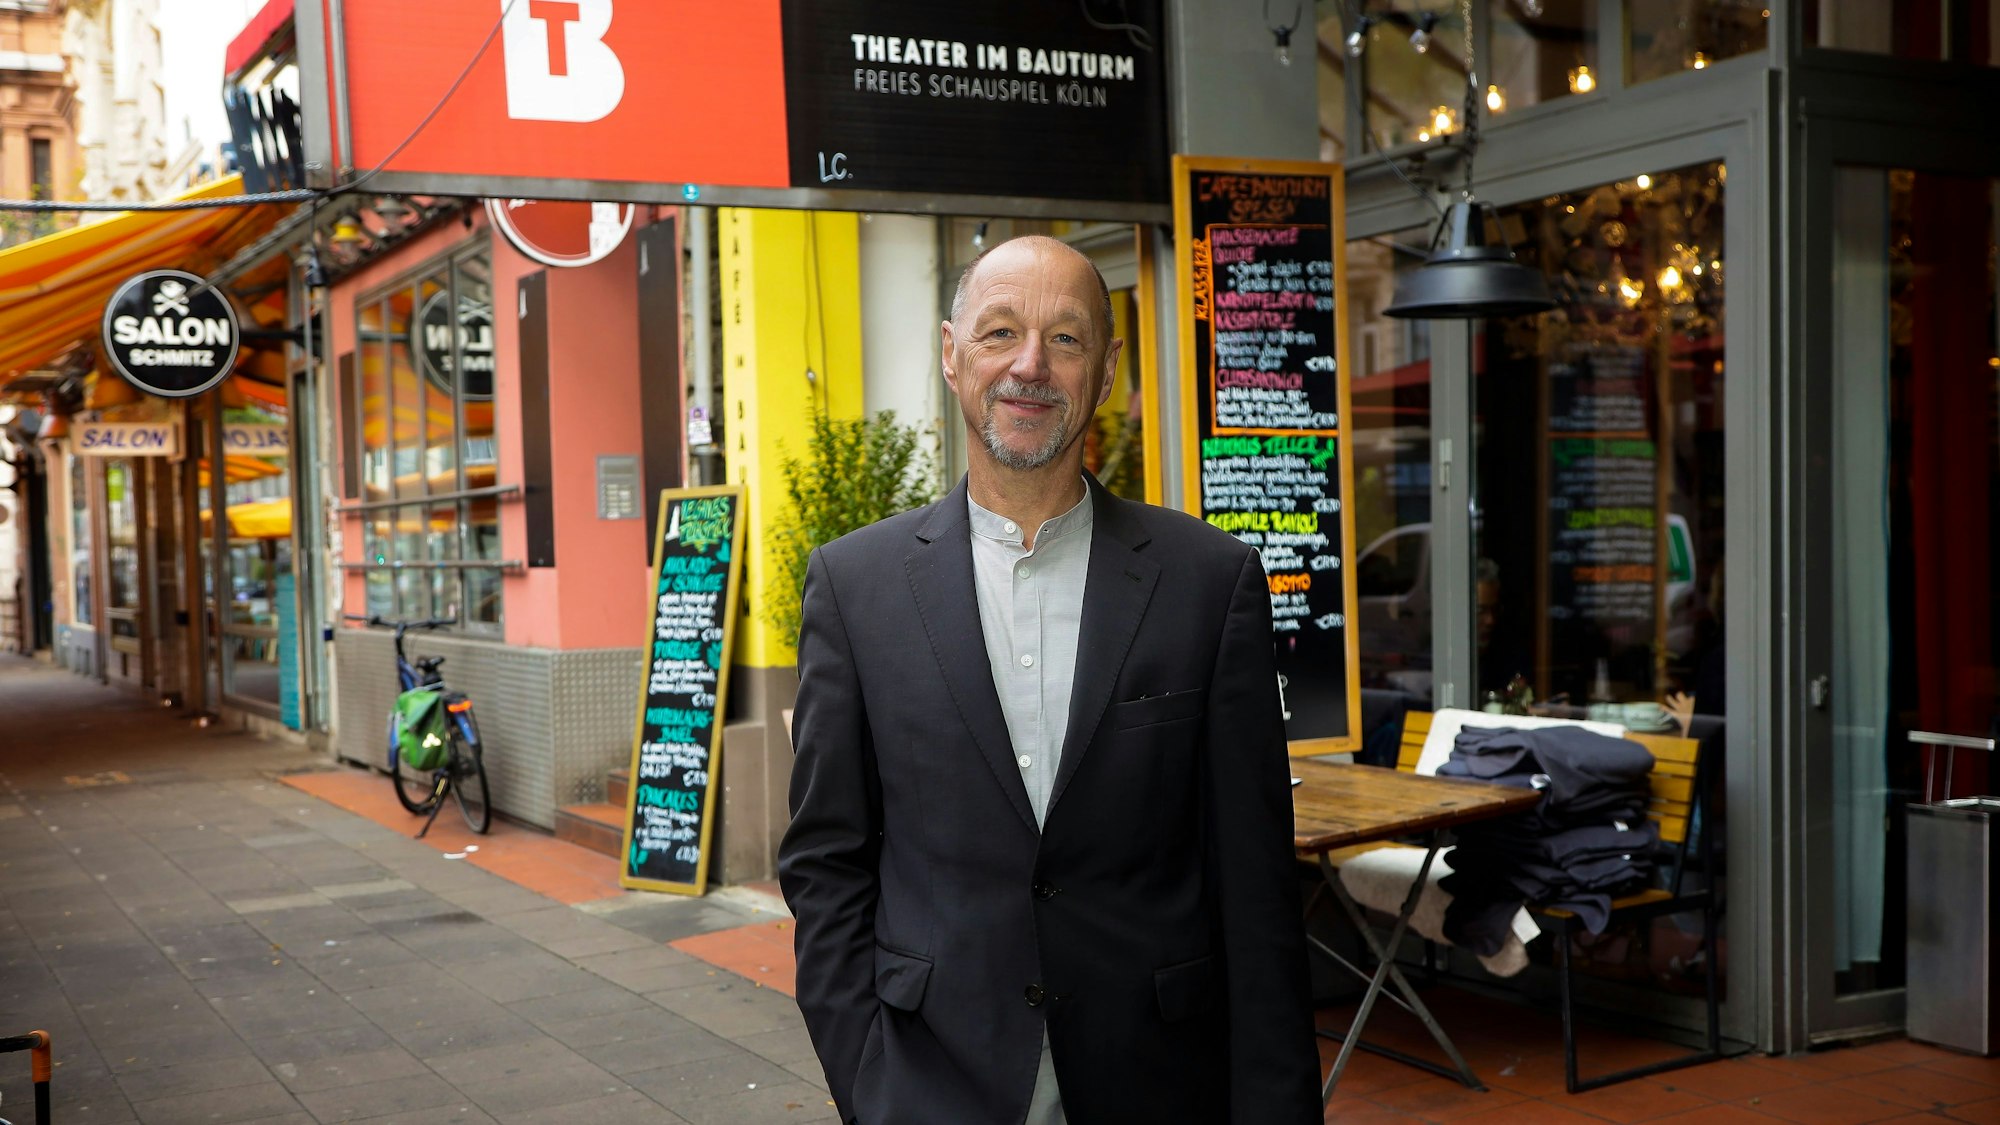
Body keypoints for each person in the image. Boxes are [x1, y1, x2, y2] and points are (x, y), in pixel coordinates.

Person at [779, 235, 1321, 1125]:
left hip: (1159, 1086)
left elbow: (1255, 887)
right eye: (1000, 332)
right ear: (952, 354)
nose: (1030, 365)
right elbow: (825, 860)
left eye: (1066, 338)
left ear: (1105, 371)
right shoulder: (855, 586)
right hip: (931, 1086)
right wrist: (870, 1078)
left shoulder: (1207, 581)